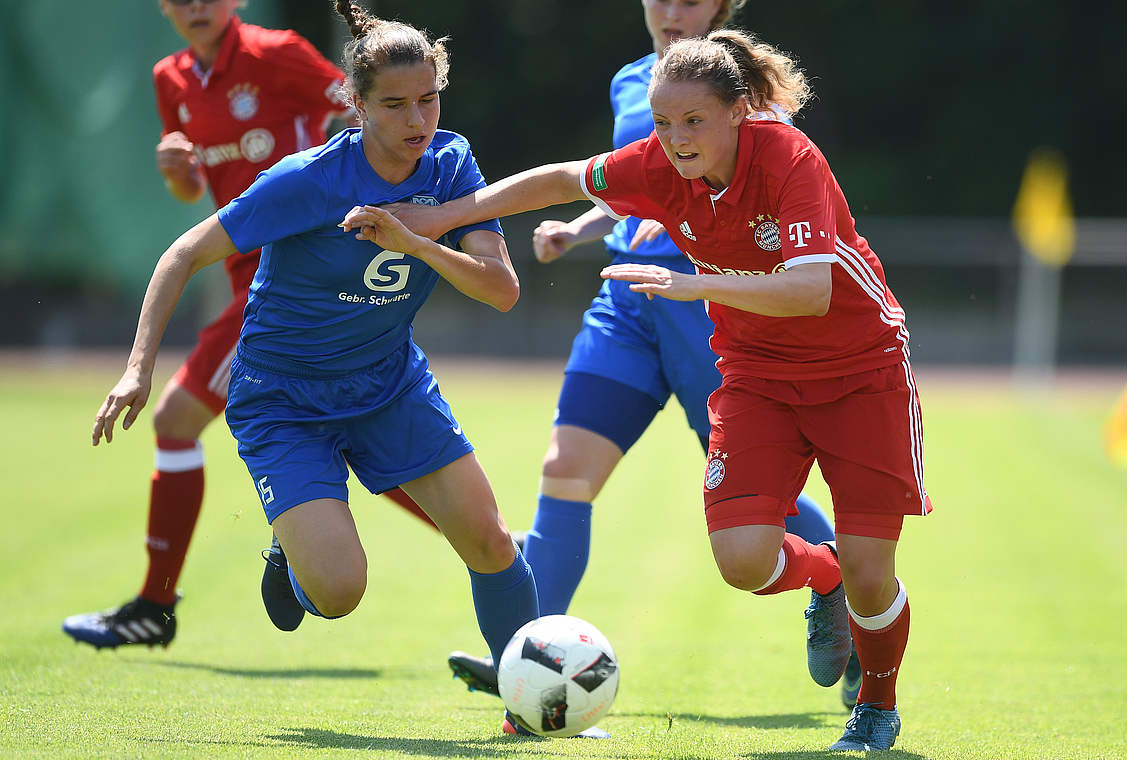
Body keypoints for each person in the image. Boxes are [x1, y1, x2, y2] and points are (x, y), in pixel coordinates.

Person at [370, 29, 930, 752]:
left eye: (693, 121)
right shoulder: (658, 167)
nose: (675, 139)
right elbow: (563, 179)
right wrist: (447, 217)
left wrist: (693, 283)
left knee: (872, 571)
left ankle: (877, 708)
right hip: (758, 377)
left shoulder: (792, 159)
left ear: (739, 112)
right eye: (663, 124)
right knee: (742, 561)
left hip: (861, 373)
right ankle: (821, 578)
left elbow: (811, 290)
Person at [89, 0, 543, 738]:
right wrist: (137, 370)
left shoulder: (453, 165)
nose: (416, 119)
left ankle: (528, 710)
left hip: (390, 383)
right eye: (393, 104)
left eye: (428, 99)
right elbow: (181, 253)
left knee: (491, 541)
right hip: (283, 401)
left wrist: (418, 240)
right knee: (338, 593)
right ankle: (295, 555)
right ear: (355, 105)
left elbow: (501, 290)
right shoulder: (305, 181)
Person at [445, 0, 851, 711]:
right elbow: (637, 184)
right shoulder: (632, 81)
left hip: (710, 307)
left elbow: (756, 198)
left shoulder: (745, 97)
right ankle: (524, 655)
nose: (668, 10)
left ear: (721, 6)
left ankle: (840, 580)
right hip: (628, 303)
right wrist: (577, 228)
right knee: (565, 469)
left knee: (763, 500)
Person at [61, 0, 441, 651]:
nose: (196, 7)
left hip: (287, 282)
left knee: (181, 418)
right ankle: (472, 536)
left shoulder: (277, 53)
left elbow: (364, 114)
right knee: (323, 426)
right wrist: (181, 177)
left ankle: (159, 602)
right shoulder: (170, 79)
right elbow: (194, 192)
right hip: (240, 278)